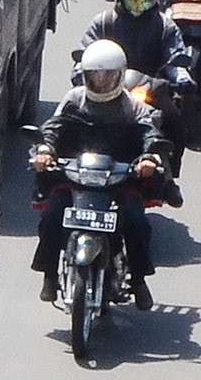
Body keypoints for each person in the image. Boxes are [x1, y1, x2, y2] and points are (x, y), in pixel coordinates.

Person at [31, 37, 164, 306]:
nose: (101, 81)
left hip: (119, 177)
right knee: (52, 216)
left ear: (119, 75)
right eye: (96, 75)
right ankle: (48, 275)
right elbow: (53, 128)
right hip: (76, 175)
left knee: (137, 221)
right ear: (86, 76)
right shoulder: (74, 99)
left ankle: (138, 280)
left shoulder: (131, 105)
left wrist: (148, 157)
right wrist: (46, 150)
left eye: (108, 75)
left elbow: (149, 132)